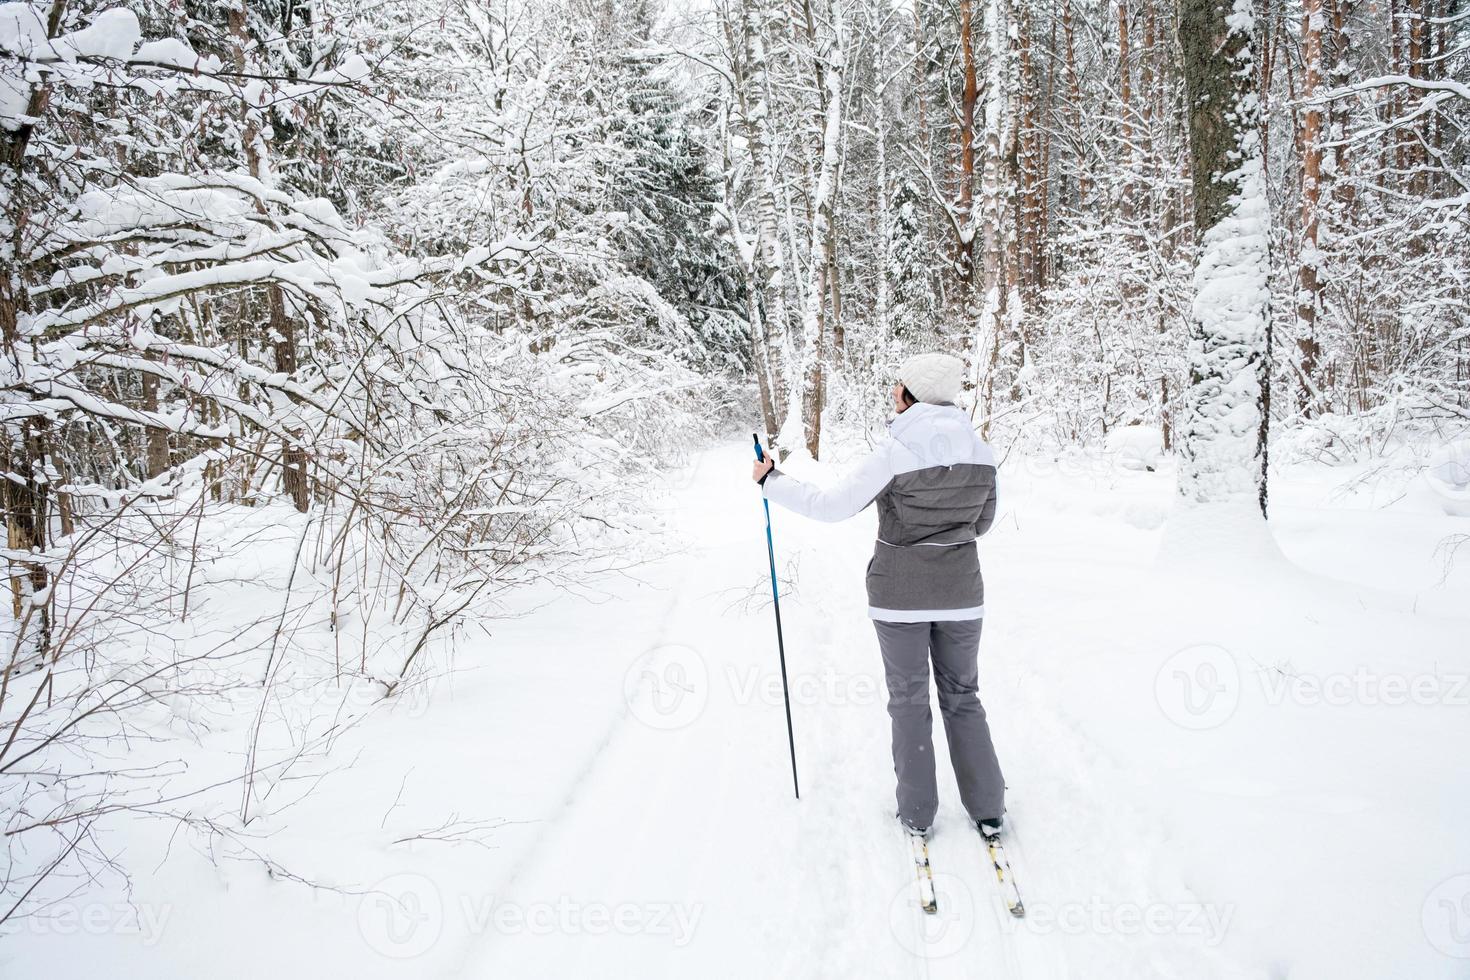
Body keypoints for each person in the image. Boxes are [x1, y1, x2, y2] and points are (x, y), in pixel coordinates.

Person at [750, 352, 1005, 839]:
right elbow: (983, 524)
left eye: (898, 386)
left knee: (909, 700)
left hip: (899, 597)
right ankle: (989, 807)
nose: (893, 392)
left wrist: (771, 481)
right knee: (963, 696)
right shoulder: (981, 451)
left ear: (912, 395)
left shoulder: (895, 451)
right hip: (962, 594)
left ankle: (917, 813)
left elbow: (832, 506)